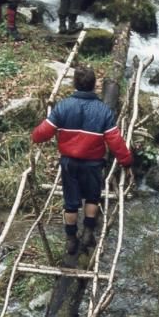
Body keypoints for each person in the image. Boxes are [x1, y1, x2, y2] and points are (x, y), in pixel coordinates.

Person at [31, 67, 133, 254]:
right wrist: (126, 161)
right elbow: (115, 141)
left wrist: (34, 135)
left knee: (70, 202)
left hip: (69, 162)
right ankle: (88, 231)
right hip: (94, 163)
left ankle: (70, 238)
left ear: (75, 84)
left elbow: (42, 134)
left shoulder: (63, 106)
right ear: (95, 85)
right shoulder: (104, 111)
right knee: (92, 197)